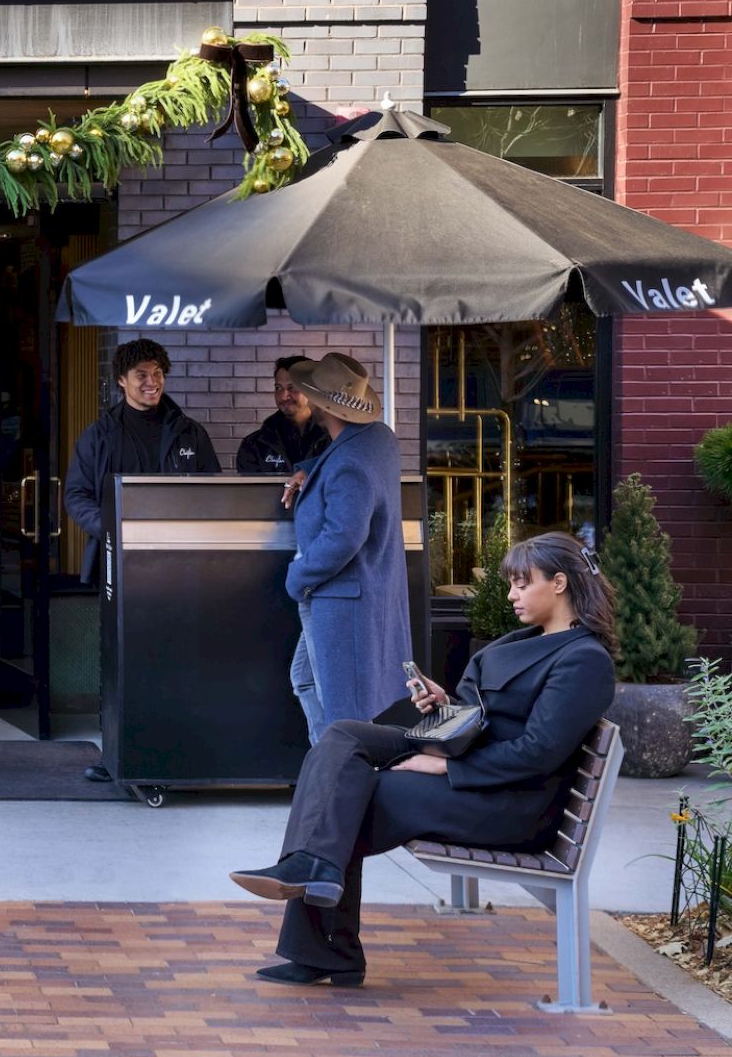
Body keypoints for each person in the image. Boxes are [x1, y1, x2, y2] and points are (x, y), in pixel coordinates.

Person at [229, 532, 617, 987]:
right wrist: (445, 705)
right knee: (341, 738)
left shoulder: (583, 661)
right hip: (477, 765)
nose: (511, 595)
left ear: (558, 583)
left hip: (509, 802)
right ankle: (314, 873)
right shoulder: (526, 639)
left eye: (520, 583)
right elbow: (491, 716)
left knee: (357, 793)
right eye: (511, 583)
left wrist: (446, 767)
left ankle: (325, 937)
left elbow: (538, 751)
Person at [280, 352, 412, 743]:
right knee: (305, 680)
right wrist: (309, 466)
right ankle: (330, 768)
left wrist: (297, 578)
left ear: (322, 405)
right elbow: (340, 462)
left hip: (339, 598)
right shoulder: (378, 439)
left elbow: (343, 537)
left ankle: (345, 783)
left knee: (345, 712)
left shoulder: (349, 462)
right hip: (359, 594)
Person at [64, 337, 221, 584]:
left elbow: (213, 490)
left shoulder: (190, 433)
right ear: (121, 380)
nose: (152, 382)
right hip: (117, 557)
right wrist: (111, 530)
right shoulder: (99, 436)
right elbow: (76, 495)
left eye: (158, 373)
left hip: (181, 558)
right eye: (141, 375)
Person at [235, 354, 330, 475]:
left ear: (312, 389)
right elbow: (251, 492)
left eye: (292, 387)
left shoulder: (333, 438)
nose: (284, 396)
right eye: (278, 388)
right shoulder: (254, 445)